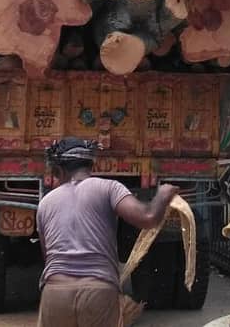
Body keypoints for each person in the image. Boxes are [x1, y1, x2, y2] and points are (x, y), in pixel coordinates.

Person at [36, 137, 180, 327]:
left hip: (55, 293)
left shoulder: (46, 203)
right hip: (98, 291)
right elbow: (148, 218)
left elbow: (48, 256)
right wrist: (162, 195)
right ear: (90, 166)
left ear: (58, 170)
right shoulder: (108, 188)